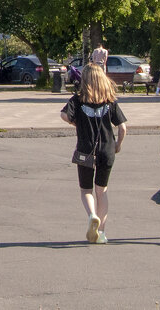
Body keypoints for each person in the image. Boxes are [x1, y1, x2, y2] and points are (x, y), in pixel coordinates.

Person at [61, 63, 127, 244]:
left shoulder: (78, 99)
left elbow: (64, 115)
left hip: (85, 149)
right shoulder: (110, 100)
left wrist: (77, 124)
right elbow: (122, 127)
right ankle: (102, 233)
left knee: (86, 190)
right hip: (106, 150)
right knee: (102, 191)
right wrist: (118, 145)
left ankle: (91, 216)